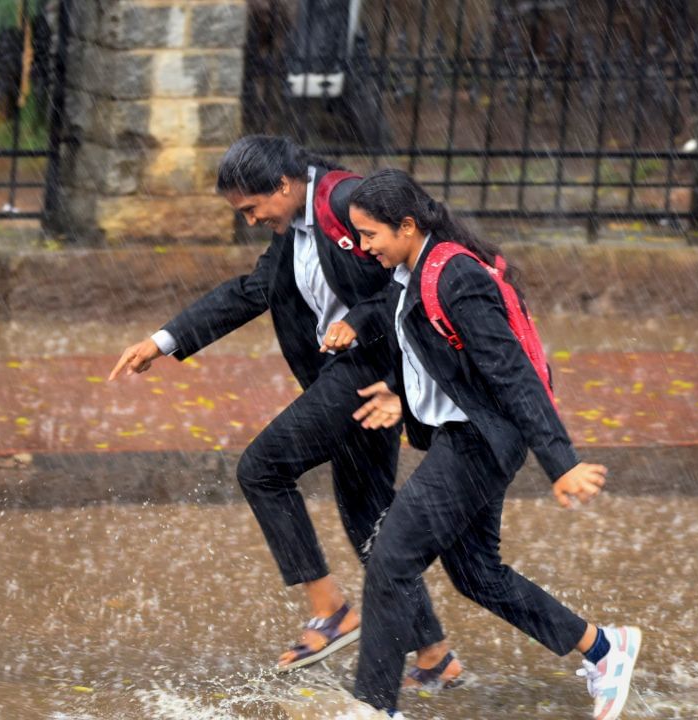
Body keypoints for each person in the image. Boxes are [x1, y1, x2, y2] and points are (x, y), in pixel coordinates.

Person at [107, 138, 460, 685]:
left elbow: (415, 271)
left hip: (368, 374)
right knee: (368, 518)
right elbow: (251, 292)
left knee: (262, 469)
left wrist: (362, 322)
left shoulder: (345, 202)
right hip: (352, 376)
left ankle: (332, 610)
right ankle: (435, 656)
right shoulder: (292, 233)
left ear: (284, 186)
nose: (250, 220)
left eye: (252, 208)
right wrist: (164, 340)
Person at [320, 168, 641, 719]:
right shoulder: (415, 268)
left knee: (392, 559)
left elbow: (513, 374)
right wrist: (402, 393)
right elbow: (444, 353)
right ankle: (604, 649)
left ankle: (373, 708)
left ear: (407, 225)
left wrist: (560, 463)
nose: (362, 246)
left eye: (370, 234)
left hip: (481, 440)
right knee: (475, 573)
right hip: (465, 432)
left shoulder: (453, 277)